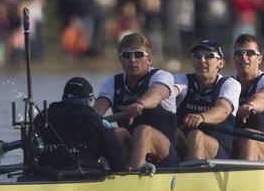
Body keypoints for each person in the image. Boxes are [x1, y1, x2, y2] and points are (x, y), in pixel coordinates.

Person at [94, 32, 178, 168]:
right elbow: (96, 113)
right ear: (120, 59)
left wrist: (140, 104)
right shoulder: (112, 83)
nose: (132, 60)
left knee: (143, 131)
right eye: (127, 55)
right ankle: (100, 173)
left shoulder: (162, 76)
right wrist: (88, 120)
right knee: (116, 133)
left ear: (149, 59)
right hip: (131, 148)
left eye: (138, 55)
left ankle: (134, 178)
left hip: (165, 155)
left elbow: (156, 94)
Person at [35, 77, 127, 173]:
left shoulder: (42, 116)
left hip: (44, 173)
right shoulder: (97, 120)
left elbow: (30, 151)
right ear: (88, 100)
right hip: (85, 174)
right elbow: (118, 159)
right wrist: (124, 172)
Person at [175, 39, 241, 161]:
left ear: (220, 63)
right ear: (193, 62)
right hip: (185, 143)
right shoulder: (181, 79)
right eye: (198, 56)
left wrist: (201, 117)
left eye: (209, 56)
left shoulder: (230, 84)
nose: (202, 60)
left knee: (196, 135)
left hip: (218, 152)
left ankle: (190, 175)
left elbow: (223, 110)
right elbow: (168, 92)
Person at [231, 34, 264, 160]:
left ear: (259, 58)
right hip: (236, 145)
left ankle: (244, 177)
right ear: (234, 57)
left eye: (249, 53)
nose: (244, 56)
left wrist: (251, 105)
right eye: (239, 53)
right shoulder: (228, 84)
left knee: (249, 137)